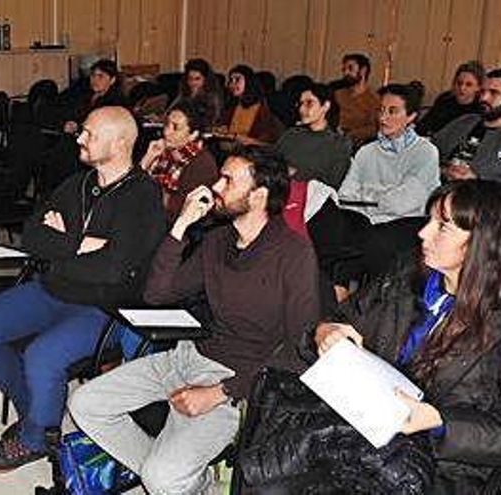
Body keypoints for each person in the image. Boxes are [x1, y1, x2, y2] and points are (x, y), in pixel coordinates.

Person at [69, 147, 320, 495]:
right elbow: (158, 294)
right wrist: (181, 226)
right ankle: (192, 482)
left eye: (228, 180)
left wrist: (220, 392)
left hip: (240, 384)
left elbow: (301, 349)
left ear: (259, 195)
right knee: (85, 405)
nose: (216, 185)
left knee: (162, 476)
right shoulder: (218, 241)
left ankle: (169, 477)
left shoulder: (293, 253)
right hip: (190, 356)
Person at [261, 179, 501, 494]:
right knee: (273, 473)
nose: (422, 233)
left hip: (439, 468)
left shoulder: (497, 325)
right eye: (429, 220)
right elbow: (340, 322)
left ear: (483, 244)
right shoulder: (404, 277)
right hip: (360, 433)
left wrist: (440, 421)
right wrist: (324, 333)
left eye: (442, 227)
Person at [0, 107, 167, 471]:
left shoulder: (143, 197)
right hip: (53, 289)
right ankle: (37, 410)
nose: (79, 139)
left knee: (42, 356)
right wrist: (80, 244)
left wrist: (63, 246)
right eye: (82, 131)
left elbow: (115, 269)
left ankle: (36, 439)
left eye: (90, 134)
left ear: (120, 143)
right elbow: (33, 235)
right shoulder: (79, 183)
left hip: (104, 308)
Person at [337, 83, 440, 287]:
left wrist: (366, 195)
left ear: (411, 116)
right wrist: (385, 194)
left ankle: (374, 305)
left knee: (374, 243)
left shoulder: (425, 152)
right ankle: (340, 300)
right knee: (337, 235)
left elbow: (403, 203)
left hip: (409, 222)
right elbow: (344, 196)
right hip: (366, 220)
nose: (383, 118)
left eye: (392, 111)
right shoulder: (367, 151)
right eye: (381, 110)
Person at [140, 100, 218, 220]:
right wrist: (148, 158)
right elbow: (132, 185)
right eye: (166, 124)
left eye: (176, 128)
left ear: (193, 135)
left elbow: (178, 212)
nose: (166, 132)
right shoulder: (163, 150)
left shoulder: (202, 164)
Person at [433, 68, 501, 184]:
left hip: (482, 199)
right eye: (482, 92)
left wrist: (477, 180)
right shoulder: (464, 121)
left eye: (494, 93)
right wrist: (444, 170)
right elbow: (429, 153)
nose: (484, 98)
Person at [275, 83, 352, 189]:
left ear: (325, 106)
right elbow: (272, 163)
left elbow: (333, 182)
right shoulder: (291, 134)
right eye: (301, 103)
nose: (302, 109)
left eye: (309, 103)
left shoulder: (338, 144)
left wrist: (296, 174)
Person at [218, 64, 284, 146]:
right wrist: (222, 129)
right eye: (231, 80)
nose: (232, 84)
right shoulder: (231, 104)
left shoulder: (262, 107)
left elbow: (266, 141)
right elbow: (224, 126)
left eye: (237, 80)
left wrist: (236, 137)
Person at [416, 61, 485, 136]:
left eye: (468, 85)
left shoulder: (480, 110)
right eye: (459, 83)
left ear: (478, 87)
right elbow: (424, 125)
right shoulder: (445, 99)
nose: (462, 88)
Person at [334, 53, 380, 146]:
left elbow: (374, 128)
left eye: (350, 68)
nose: (346, 73)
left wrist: (351, 134)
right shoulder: (338, 94)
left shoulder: (374, 100)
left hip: (354, 143)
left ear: (363, 71)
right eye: (344, 69)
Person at [168, 58, 224, 127]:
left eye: (197, 79)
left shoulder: (212, 97)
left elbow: (210, 121)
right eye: (190, 79)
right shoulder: (184, 94)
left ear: (205, 80)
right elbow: (171, 111)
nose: (193, 83)